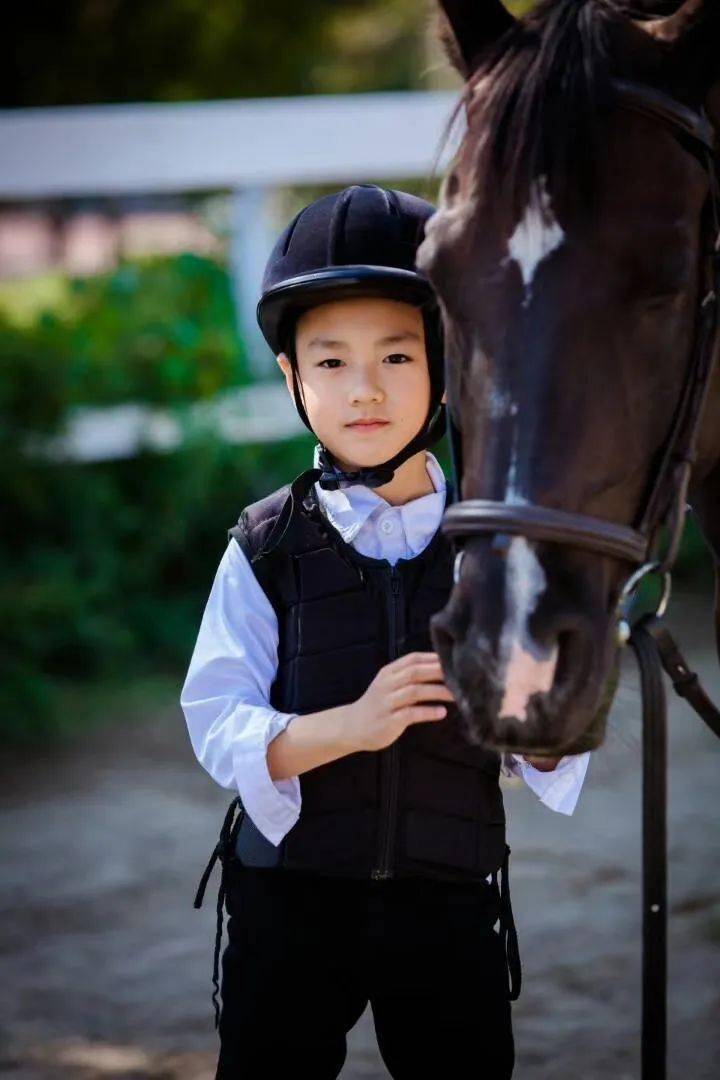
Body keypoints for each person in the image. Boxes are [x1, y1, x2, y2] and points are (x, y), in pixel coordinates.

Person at [180, 184, 590, 1080]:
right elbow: (217, 721)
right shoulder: (265, 546)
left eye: (398, 356)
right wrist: (347, 728)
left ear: (447, 366)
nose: (365, 390)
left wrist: (543, 711)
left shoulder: (497, 552)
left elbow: (546, 755)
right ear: (292, 377)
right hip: (289, 902)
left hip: (447, 902)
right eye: (330, 362)